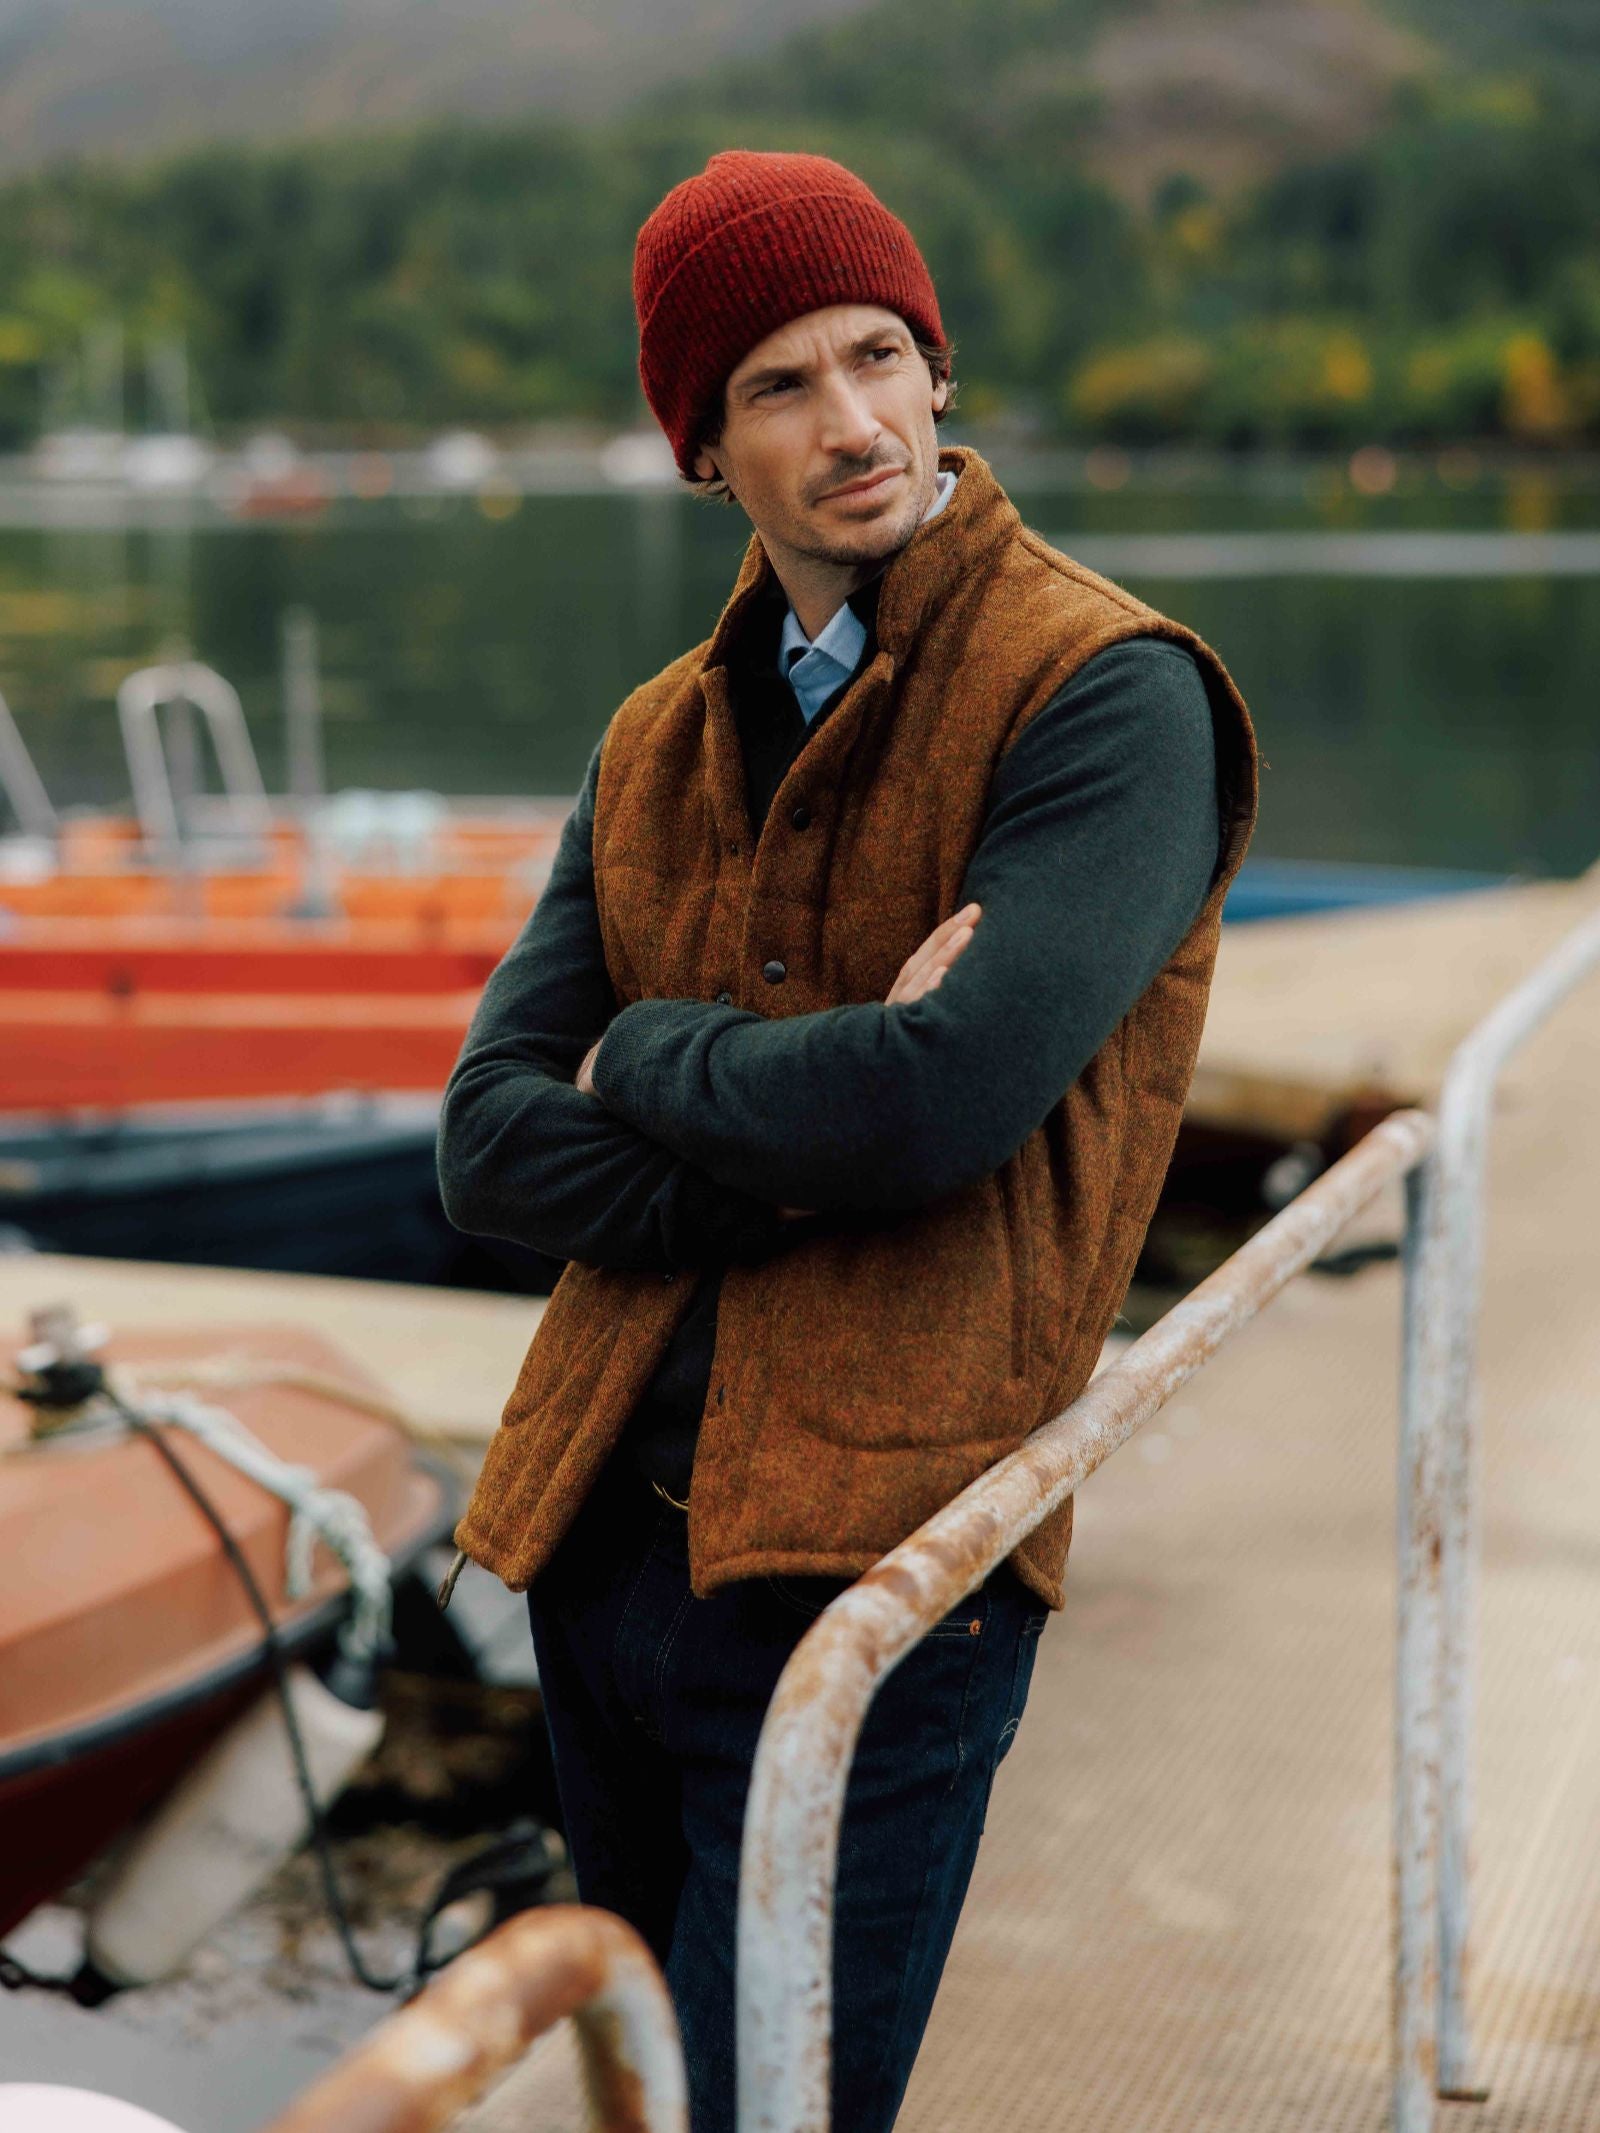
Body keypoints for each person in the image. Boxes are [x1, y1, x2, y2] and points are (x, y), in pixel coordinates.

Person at [438, 147, 1259, 2133]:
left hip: (879, 1572)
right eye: (780, 383)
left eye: (877, 354)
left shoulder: (1104, 693)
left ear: (937, 365)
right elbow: (481, 1147)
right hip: (602, 1558)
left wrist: (637, 1057)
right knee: (647, 2099)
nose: (854, 419)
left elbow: (942, 1098)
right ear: (702, 448)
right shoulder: (657, 731)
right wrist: (789, 1087)